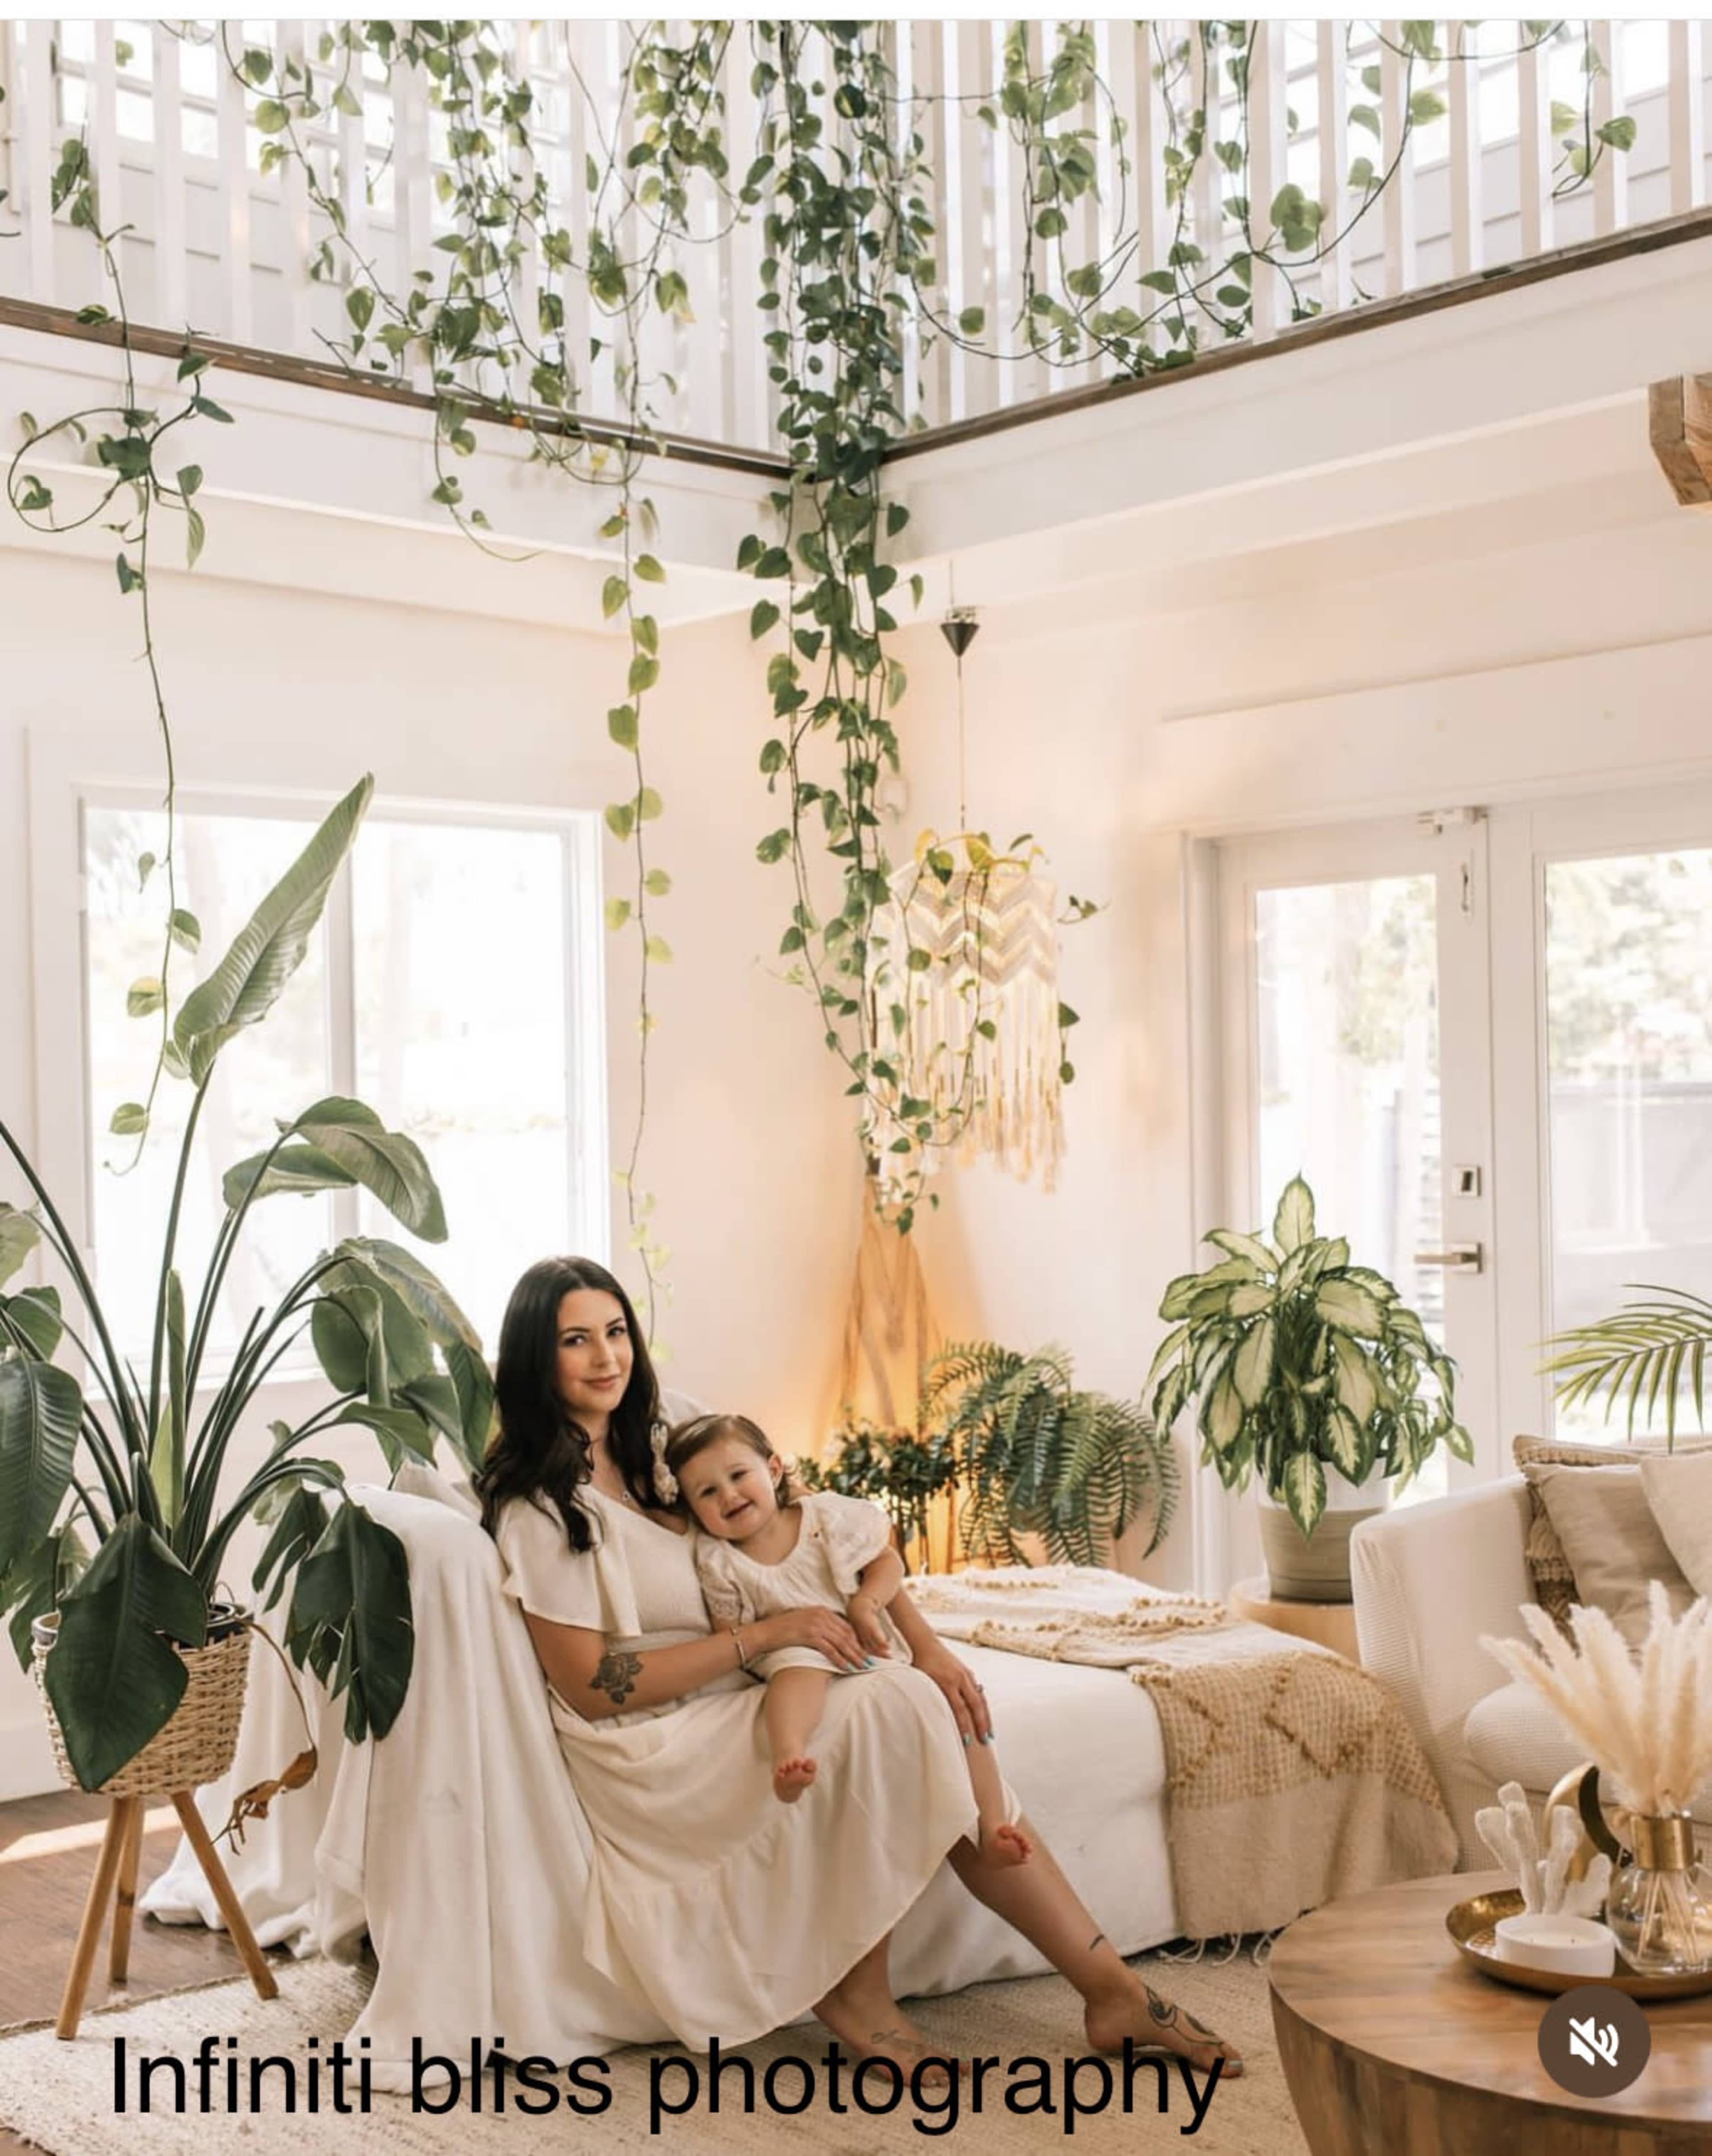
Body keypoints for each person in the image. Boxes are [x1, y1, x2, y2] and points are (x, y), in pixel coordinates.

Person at [476, 1255, 1242, 2083]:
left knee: (916, 1695)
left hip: (756, 1681)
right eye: (576, 1340)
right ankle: (859, 1994)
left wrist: (930, 1646)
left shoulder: (665, 1440)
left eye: (616, 1331)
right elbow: (591, 1688)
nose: (606, 1357)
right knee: (888, 1707)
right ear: (536, 1357)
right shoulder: (540, 1507)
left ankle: (1110, 1988)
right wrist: (765, 1636)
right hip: (652, 1738)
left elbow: (828, 1535)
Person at [664, 1409, 1032, 1868]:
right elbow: (730, 1633)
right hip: (796, 1651)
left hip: (867, 1639)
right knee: (796, 1675)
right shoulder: (719, 1559)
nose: (729, 1495)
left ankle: (993, 1824)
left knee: (955, 1706)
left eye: (739, 1475)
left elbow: (888, 1563)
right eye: (708, 1492)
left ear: (773, 1469)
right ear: (693, 1509)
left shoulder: (823, 1517)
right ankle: (790, 1756)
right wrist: (775, 1636)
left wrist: (866, 1603)